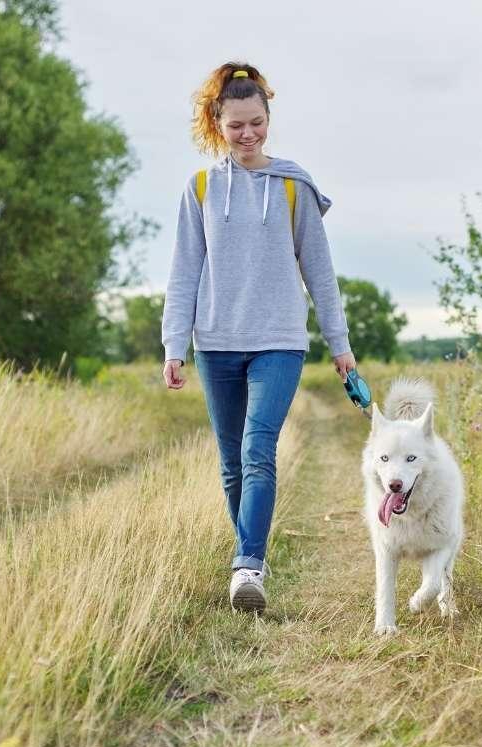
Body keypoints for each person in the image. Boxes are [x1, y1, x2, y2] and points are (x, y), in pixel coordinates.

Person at [161, 61, 356, 614]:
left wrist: (339, 346)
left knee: (257, 449)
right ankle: (252, 559)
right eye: (236, 126)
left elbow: (320, 273)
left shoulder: (294, 187)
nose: (248, 135)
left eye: (256, 123)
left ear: (269, 117)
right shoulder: (200, 188)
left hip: (279, 339)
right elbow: (184, 272)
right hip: (216, 342)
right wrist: (175, 344)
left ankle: (247, 564)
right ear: (217, 124)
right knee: (230, 463)